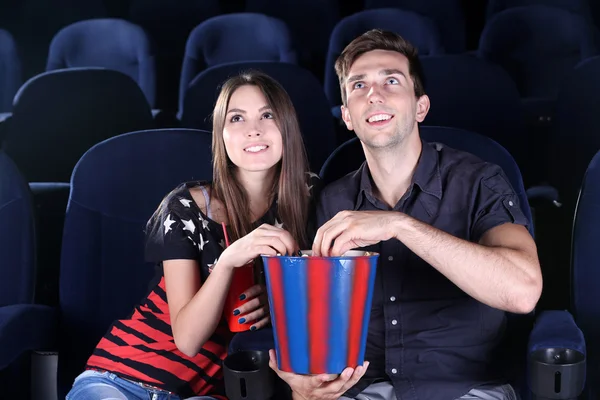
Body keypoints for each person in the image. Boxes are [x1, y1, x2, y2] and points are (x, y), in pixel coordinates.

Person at [269, 29, 543, 400]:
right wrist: (303, 387)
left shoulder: (480, 181)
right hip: (361, 390)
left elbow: (523, 292)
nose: (374, 95)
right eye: (358, 86)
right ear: (348, 116)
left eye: (391, 81)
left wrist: (399, 225)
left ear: (420, 106)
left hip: (463, 390)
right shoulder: (331, 202)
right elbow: (315, 328)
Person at [65, 71, 320, 399]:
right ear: (222, 135)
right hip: (119, 377)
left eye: (267, 115)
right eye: (237, 118)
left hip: (205, 392)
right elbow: (187, 339)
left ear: (287, 124)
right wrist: (227, 262)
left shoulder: (311, 197)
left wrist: (278, 308)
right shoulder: (186, 205)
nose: (253, 129)